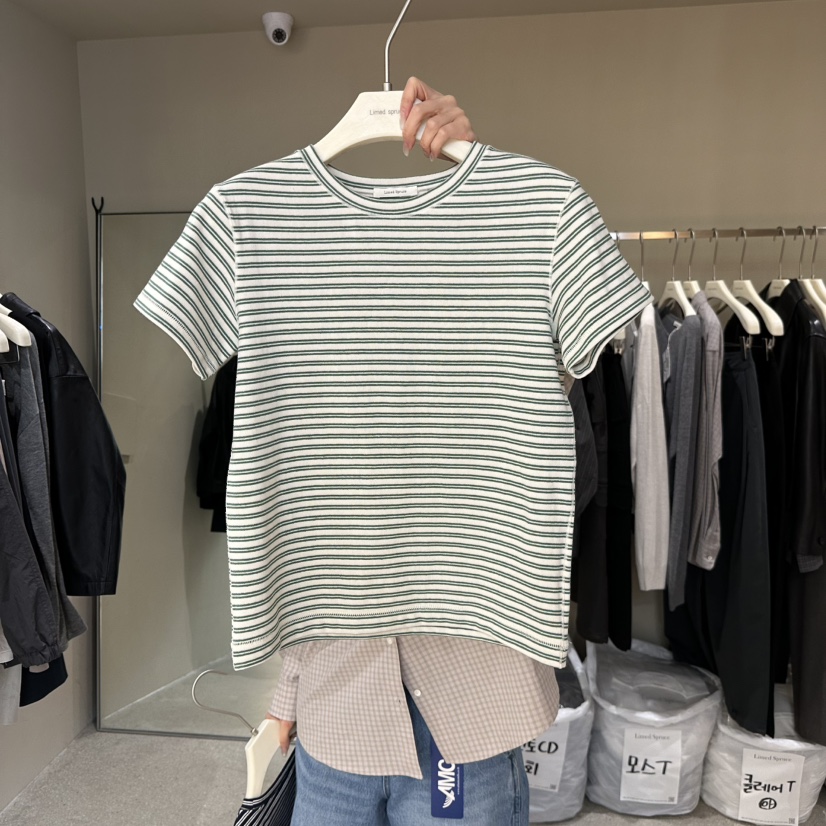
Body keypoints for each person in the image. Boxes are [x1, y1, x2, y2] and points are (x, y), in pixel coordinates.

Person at [265, 76, 560, 826]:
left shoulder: (532, 223)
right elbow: (309, 518)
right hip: (335, 714)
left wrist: (482, 197)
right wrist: (285, 698)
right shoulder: (264, 236)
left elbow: (555, 444)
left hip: (473, 711)